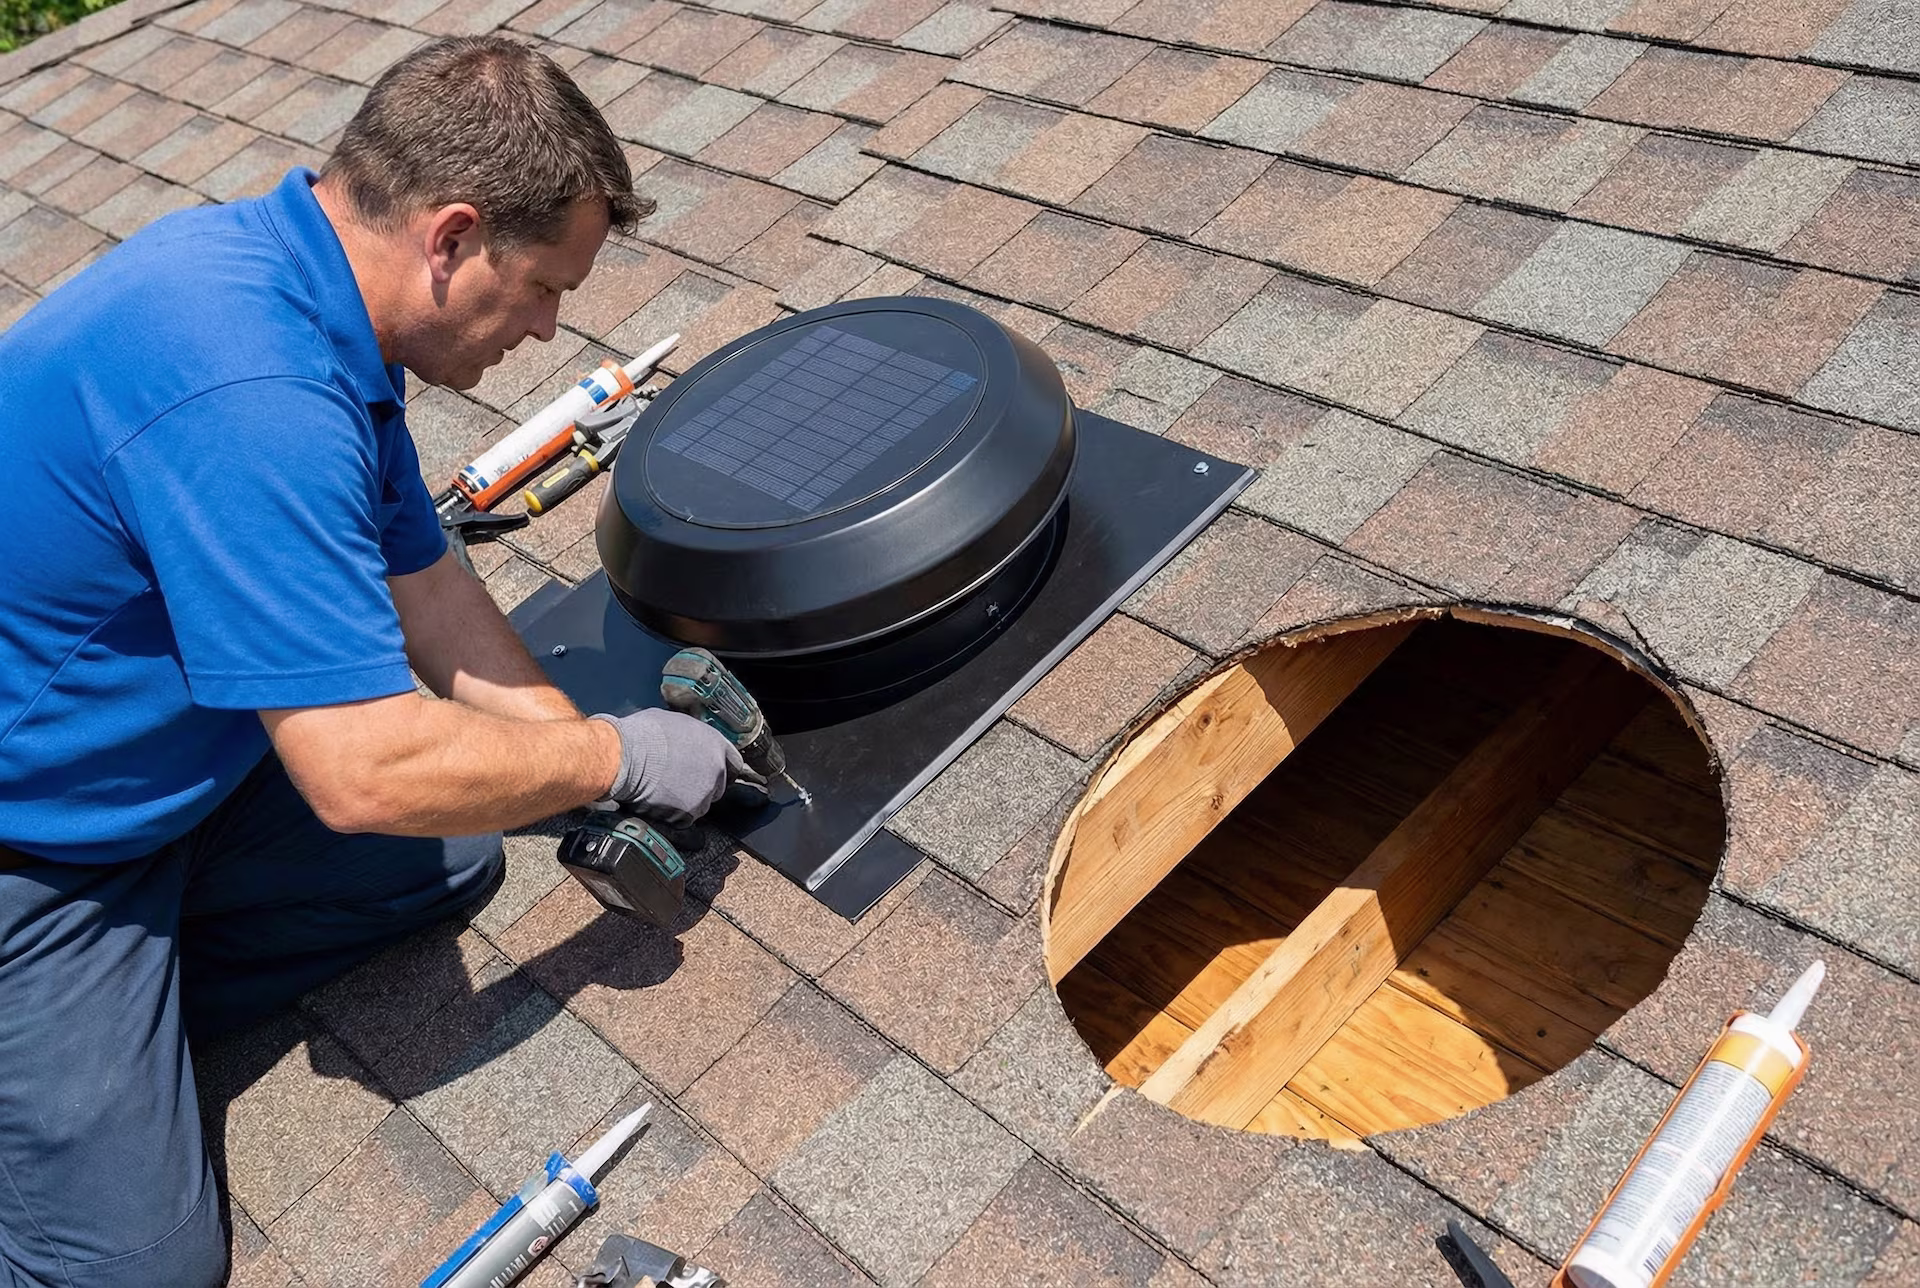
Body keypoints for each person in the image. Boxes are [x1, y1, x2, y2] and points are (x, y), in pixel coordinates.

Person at [0, 36, 749, 1287]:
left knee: (451, 857)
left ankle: (109, 1041)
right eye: (546, 286)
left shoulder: (310, 299)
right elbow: (360, 774)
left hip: (165, 777)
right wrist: (619, 749)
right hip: (35, 848)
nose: (555, 327)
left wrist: (580, 774)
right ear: (452, 238)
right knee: (140, 1270)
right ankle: (67, 1070)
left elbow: (433, 591)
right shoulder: (251, 387)